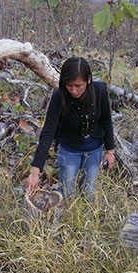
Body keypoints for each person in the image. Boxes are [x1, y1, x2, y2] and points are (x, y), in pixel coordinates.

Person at [25, 57, 115, 200]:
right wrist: (35, 171)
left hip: (94, 150)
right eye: (69, 85)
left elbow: (106, 121)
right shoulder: (59, 97)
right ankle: (63, 218)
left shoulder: (100, 91)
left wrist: (110, 151)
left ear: (89, 80)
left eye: (78, 85)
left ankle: (85, 219)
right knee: (66, 193)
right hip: (69, 150)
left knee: (88, 192)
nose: (73, 90)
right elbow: (48, 132)